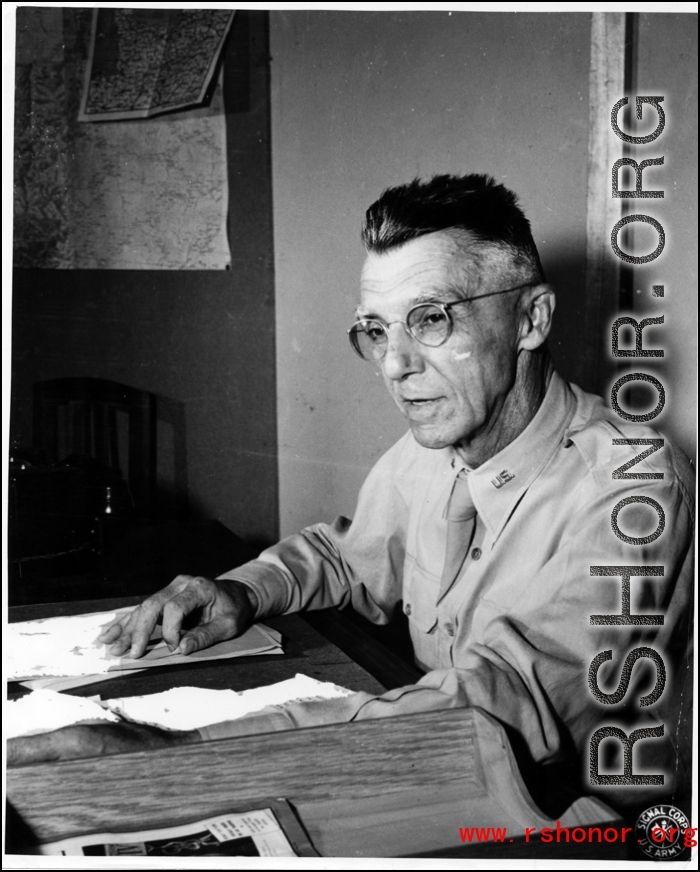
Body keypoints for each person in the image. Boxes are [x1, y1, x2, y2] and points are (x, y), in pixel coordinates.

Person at [9, 175, 694, 810]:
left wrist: (189, 751)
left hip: (577, 818)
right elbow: (347, 555)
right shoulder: (440, 444)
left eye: (430, 320)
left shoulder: (634, 487)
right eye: (376, 330)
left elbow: (504, 702)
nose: (395, 366)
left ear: (531, 321)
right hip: (430, 758)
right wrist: (244, 591)